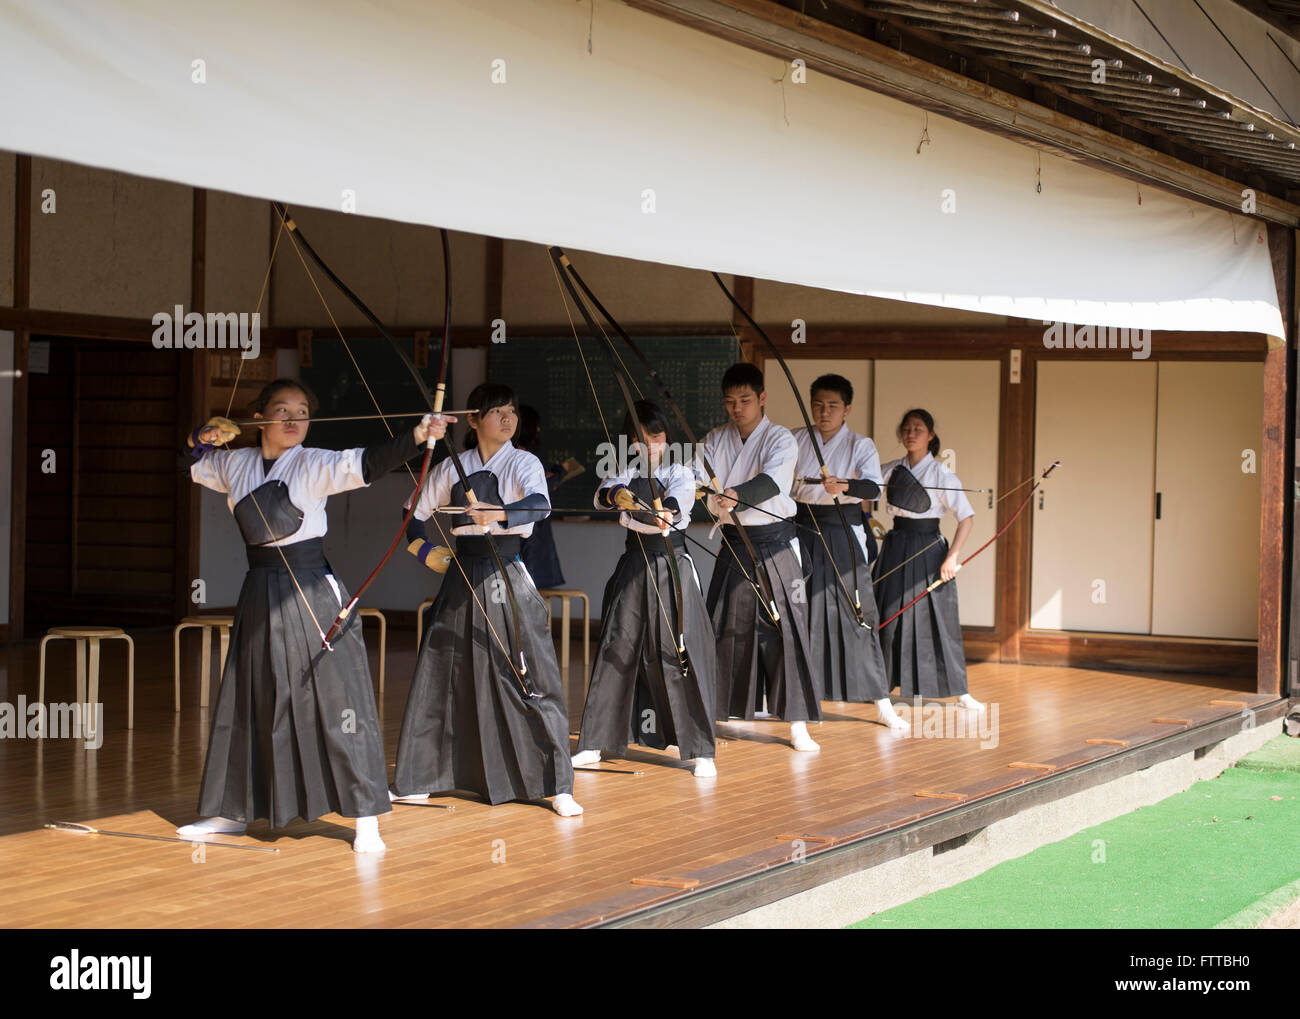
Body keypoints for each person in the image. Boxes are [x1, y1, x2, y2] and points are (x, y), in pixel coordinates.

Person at [178, 378, 424, 853]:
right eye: (281, 410)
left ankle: (366, 816)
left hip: (311, 588)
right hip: (260, 589)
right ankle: (234, 809)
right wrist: (199, 438)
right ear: (259, 417)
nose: (293, 420)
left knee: (336, 700)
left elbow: (369, 462)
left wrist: (418, 437)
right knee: (253, 697)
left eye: (302, 412)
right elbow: (188, 464)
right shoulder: (235, 463)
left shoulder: (314, 463)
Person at [391, 383, 582, 815]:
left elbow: (539, 506)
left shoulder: (524, 461)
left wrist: (499, 514)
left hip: (507, 571)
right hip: (461, 574)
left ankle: (556, 783)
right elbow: (411, 515)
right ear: (474, 420)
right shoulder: (450, 468)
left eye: (511, 411)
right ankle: (420, 777)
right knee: (440, 668)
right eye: (496, 412)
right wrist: (424, 552)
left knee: (528, 672)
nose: (508, 419)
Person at [571, 401, 718, 777]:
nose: (649, 444)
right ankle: (594, 742)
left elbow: (679, 501)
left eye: (656, 436)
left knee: (676, 651)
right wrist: (618, 494)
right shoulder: (622, 467)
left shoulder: (680, 470)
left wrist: (666, 511)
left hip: (671, 565)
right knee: (616, 646)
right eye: (639, 438)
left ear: (665, 437)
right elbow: (603, 495)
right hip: (634, 563)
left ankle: (699, 747)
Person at [697, 363, 821, 752]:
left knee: (788, 631)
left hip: (775, 545)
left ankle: (798, 724)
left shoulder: (780, 438)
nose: (737, 408)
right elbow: (693, 478)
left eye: (745, 400)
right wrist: (701, 495)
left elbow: (773, 481)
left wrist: (734, 494)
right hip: (734, 543)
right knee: (722, 627)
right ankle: (712, 715)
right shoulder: (715, 438)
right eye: (730, 401)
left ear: (762, 398)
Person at [791, 375, 905, 730]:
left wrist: (846, 485)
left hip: (841, 528)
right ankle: (793, 699)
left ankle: (882, 702)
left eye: (833, 406)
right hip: (800, 528)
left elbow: (873, 486)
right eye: (818, 405)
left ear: (847, 409)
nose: (824, 413)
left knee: (858, 612)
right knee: (798, 610)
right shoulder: (795, 438)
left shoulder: (860, 443)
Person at [875, 408, 983, 710]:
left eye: (918, 429)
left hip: (929, 549)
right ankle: (879, 686)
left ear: (931, 436)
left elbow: (967, 518)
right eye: (906, 428)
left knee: (937, 619)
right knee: (889, 614)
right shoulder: (891, 469)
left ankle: (960, 690)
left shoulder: (941, 474)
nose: (911, 434)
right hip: (896, 546)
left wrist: (952, 558)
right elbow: (866, 486)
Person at [514, 404, 571, 590]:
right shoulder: (520, 455)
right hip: (527, 529)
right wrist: (558, 474)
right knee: (524, 584)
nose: (538, 430)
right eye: (536, 425)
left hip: (528, 527)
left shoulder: (519, 455)